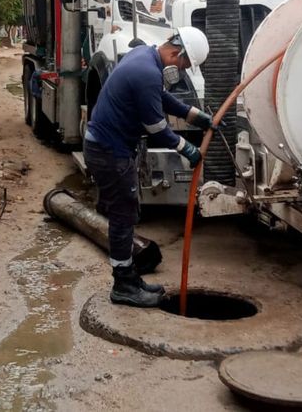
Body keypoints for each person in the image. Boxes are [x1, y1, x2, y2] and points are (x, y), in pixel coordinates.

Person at [83, 27, 214, 307]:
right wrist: (186, 148)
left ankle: (130, 277)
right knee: (123, 216)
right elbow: (156, 128)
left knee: (127, 213)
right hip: (109, 152)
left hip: (107, 147)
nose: (181, 70)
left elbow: (162, 99)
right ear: (177, 53)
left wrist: (195, 116)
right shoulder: (147, 72)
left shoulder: (144, 55)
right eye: (184, 66)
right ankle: (123, 285)